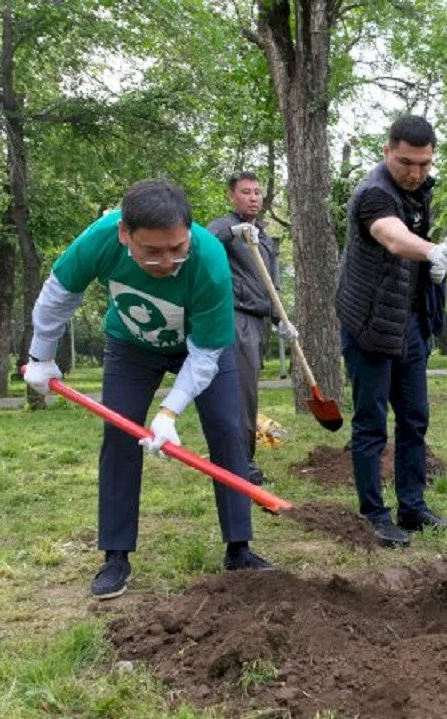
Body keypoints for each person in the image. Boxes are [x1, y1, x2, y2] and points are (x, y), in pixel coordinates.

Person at [24, 179, 272, 601]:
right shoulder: (100, 240)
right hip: (131, 346)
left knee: (228, 430)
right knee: (120, 438)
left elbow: (206, 355)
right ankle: (115, 557)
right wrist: (41, 357)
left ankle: (239, 547)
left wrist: (170, 412)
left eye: (177, 248)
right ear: (125, 234)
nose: (167, 262)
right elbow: (58, 296)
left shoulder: (209, 259)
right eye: (152, 251)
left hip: (202, 348)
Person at [335, 115, 447, 548]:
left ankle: (413, 507)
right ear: (388, 152)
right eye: (407, 162)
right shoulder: (373, 192)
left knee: (414, 419)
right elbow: (392, 237)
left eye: (425, 164)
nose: (416, 173)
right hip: (369, 325)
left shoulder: (424, 191)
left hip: (409, 324)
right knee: (371, 423)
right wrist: (432, 252)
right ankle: (373, 514)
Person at [205, 171, 297, 486]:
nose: (254, 197)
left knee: (249, 391)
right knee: (242, 394)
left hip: (259, 321)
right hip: (236, 318)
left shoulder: (265, 238)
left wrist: (281, 319)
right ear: (232, 196)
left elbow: (270, 286)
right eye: (246, 192)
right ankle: (242, 464)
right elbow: (203, 244)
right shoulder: (223, 227)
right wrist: (234, 232)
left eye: (257, 192)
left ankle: (240, 458)